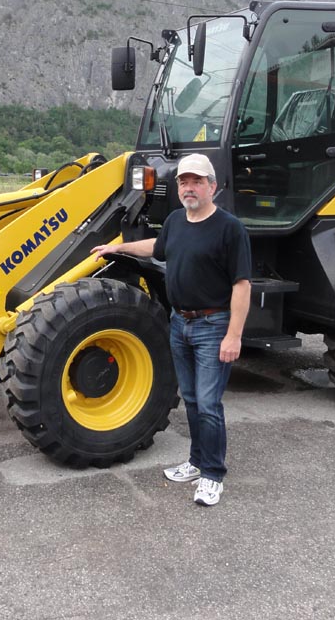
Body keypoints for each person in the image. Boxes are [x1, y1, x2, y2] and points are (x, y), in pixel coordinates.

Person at [91, 153, 251, 506]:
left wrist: (234, 335)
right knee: (191, 399)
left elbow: (242, 285)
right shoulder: (177, 220)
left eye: (197, 182)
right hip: (180, 323)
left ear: (212, 186)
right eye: (183, 182)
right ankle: (196, 461)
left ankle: (213, 474)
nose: (189, 188)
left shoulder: (229, 228)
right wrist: (118, 247)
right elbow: (157, 247)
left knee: (208, 403)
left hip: (213, 325)